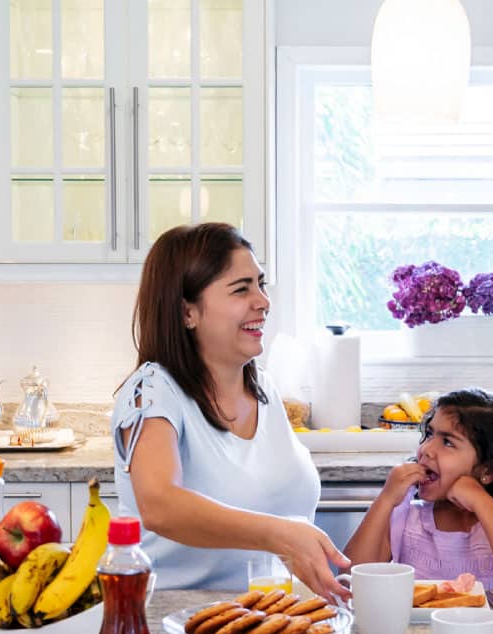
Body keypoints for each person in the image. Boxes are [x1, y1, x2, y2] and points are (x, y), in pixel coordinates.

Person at [112, 223, 350, 601]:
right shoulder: (153, 391)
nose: (263, 301)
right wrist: (281, 534)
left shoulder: (264, 391)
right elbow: (159, 505)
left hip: (265, 618)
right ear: (188, 312)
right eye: (241, 289)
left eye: (261, 284)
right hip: (171, 623)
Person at [345, 388, 493, 592]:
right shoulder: (406, 515)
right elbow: (352, 575)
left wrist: (481, 501)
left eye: (447, 442)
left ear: (488, 469)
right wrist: (386, 499)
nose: (426, 449)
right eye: (429, 434)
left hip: (488, 626)